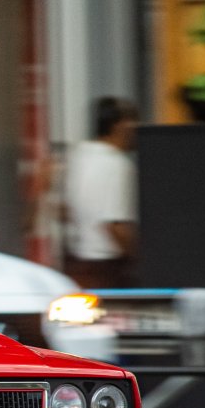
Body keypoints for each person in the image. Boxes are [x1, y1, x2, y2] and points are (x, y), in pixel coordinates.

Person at [64, 97, 138, 289]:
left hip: (75, 262)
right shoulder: (118, 164)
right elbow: (115, 224)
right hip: (108, 267)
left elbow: (64, 210)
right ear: (120, 125)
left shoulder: (77, 155)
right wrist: (139, 259)